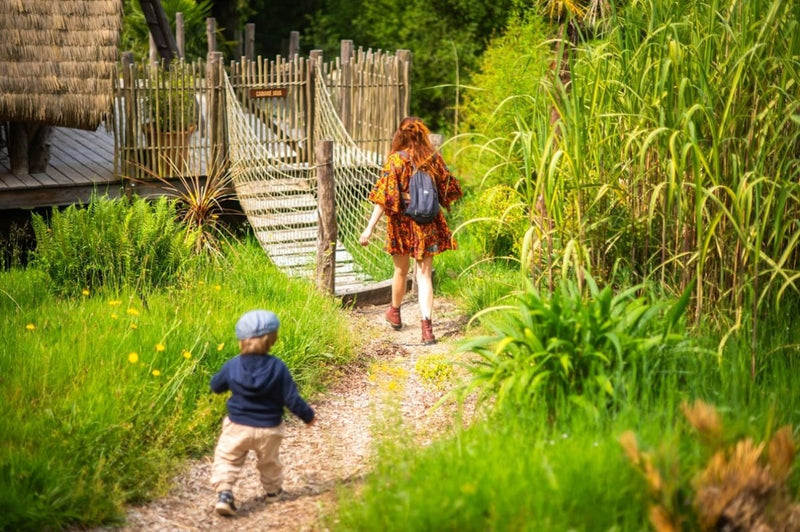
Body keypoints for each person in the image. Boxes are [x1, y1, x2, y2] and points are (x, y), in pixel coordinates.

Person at [359, 116, 463, 345]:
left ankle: (394, 312)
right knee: (424, 274)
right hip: (427, 221)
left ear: (401, 135)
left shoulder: (395, 161)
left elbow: (384, 199)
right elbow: (451, 187)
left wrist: (369, 228)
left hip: (402, 222)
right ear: (422, 134)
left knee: (400, 271)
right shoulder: (433, 158)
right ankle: (427, 330)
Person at [209, 309, 316, 517]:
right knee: (270, 461)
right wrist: (308, 416)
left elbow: (216, 385)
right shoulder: (278, 367)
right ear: (272, 340)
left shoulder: (233, 365)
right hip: (269, 427)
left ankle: (224, 494)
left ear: (241, 339)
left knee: (227, 459)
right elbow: (292, 399)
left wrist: (223, 381)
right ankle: (273, 492)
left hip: (237, 426)